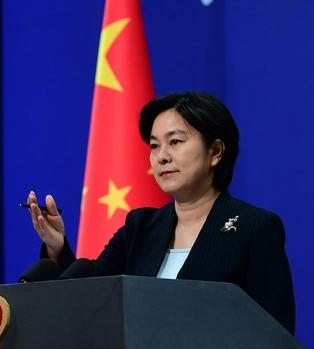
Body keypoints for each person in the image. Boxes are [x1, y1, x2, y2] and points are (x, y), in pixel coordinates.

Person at [26, 91, 295, 334]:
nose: (161, 156)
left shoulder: (254, 228)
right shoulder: (140, 227)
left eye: (175, 142)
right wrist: (57, 248)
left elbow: (275, 335)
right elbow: (93, 292)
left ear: (215, 151)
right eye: (154, 146)